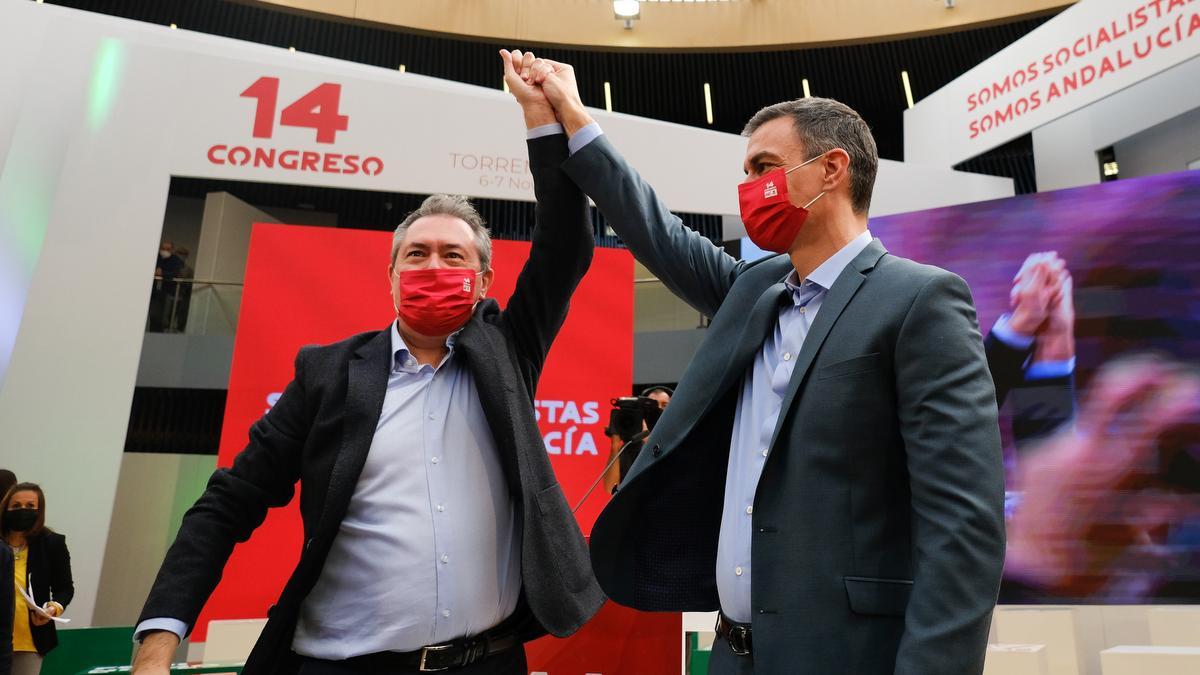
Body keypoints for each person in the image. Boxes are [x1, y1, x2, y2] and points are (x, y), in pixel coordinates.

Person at [510, 53, 1006, 673]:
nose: (750, 188)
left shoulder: (919, 301)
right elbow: (656, 231)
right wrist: (571, 118)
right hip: (733, 653)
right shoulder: (754, 290)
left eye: (764, 168)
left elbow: (964, 527)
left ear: (831, 169)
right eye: (745, 172)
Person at [132, 56, 603, 675]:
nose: (433, 267)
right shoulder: (326, 375)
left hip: (487, 661)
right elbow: (229, 503)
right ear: (391, 276)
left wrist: (542, 120)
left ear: (484, 279)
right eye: (417, 254)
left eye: (452, 255)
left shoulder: (507, 351)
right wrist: (160, 640)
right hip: (345, 665)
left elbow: (566, 245)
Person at [3, 483, 74, 675]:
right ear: (5, 508)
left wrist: (53, 609)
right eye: (16, 506)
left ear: (39, 510)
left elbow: (65, 588)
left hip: (30, 639)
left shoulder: (52, 542)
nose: (22, 510)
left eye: (30, 506)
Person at [602, 386, 672, 494]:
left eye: (664, 405)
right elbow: (610, 488)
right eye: (652, 406)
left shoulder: (679, 437)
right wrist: (615, 447)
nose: (658, 409)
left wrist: (650, 442)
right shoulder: (632, 444)